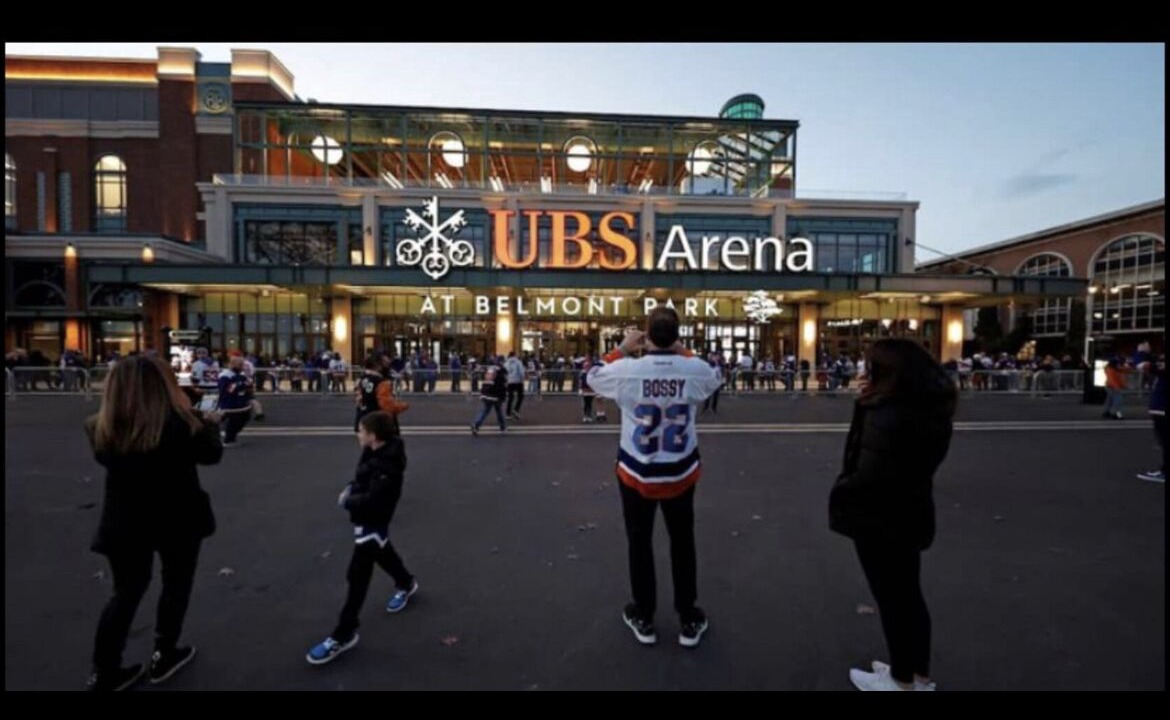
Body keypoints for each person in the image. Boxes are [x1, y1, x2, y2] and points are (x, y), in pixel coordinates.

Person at [84, 355, 223, 691]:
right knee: (176, 585)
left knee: (125, 593)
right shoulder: (182, 425)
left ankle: (105, 670)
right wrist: (210, 423)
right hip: (178, 518)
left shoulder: (100, 428)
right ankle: (165, 651)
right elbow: (211, 455)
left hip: (125, 521)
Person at [587, 308, 722, 648]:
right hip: (679, 469)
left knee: (639, 543)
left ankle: (644, 615)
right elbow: (714, 375)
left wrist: (622, 346)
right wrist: (682, 350)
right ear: (676, 334)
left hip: (637, 470)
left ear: (646, 333)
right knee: (683, 542)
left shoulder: (627, 369)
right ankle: (688, 615)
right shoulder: (693, 368)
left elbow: (592, 377)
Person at [829, 339, 956, 691]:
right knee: (909, 595)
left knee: (892, 599)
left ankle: (900, 681)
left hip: (878, 517)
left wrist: (842, 492)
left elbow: (866, 468)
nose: (862, 371)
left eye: (869, 366)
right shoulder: (930, 407)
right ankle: (917, 673)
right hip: (912, 510)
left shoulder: (888, 413)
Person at [306, 411, 417, 665]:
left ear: (373, 435)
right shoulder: (374, 452)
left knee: (358, 576)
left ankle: (344, 633)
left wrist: (348, 501)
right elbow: (362, 479)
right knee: (383, 552)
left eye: (361, 430)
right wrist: (351, 487)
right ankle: (406, 582)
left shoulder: (387, 464)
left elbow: (375, 498)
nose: (358, 433)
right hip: (369, 520)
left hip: (374, 518)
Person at [354, 356, 410, 432]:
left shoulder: (361, 380)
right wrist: (403, 405)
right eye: (386, 364)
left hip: (362, 419)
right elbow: (387, 406)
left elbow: (358, 401)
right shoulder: (381, 382)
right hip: (380, 424)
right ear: (377, 366)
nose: (388, 368)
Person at [1137, 355, 1166, 483]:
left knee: (1165, 441)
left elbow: (1146, 366)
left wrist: (1143, 358)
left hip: (1162, 408)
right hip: (1160, 408)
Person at [217, 356, 254, 447]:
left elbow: (248, 386)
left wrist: (248, 395)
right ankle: (228, 439)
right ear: (233, 364)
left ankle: (232, 436)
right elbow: (228, 389)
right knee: (234, 420)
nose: (242, 367)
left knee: (244, 418)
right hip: (230, 402)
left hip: (241, 403)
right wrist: (241, 385)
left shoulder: (241, 375)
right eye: (240, 365)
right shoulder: (225, 375)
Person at [471, 360, 508, 435]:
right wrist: (503, 396)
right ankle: (503, 427)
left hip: (486, 393)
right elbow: (502, 385)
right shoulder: (501, 371)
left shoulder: (489, 370)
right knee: (499, 411)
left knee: (485, 410)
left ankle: (476, 424)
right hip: (496, 394)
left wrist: (482, 393)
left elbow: (485, 382)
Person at [505, 351, 526, 420]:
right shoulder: (518, 362)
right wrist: (523, 378)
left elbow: (505, 372)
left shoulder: (506, 363)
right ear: (514, 355)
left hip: (509, 382)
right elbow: (521, 372)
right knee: (520, 396)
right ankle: (516, 409)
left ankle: (508, 413)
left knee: (510, 398)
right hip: (518, 381)